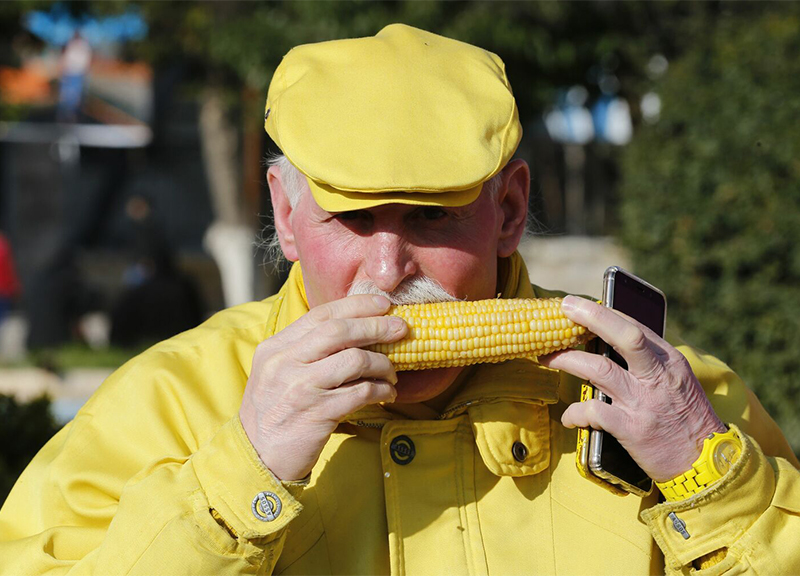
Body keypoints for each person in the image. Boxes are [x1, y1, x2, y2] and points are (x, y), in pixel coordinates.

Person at [1, 24, 798, 575]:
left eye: (432, 216)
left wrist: (713, 481)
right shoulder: (167, 403)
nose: (387, 270)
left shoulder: (668, 399)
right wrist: (234, 481)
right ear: (285, 214)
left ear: (510, 211)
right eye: (351, 219)